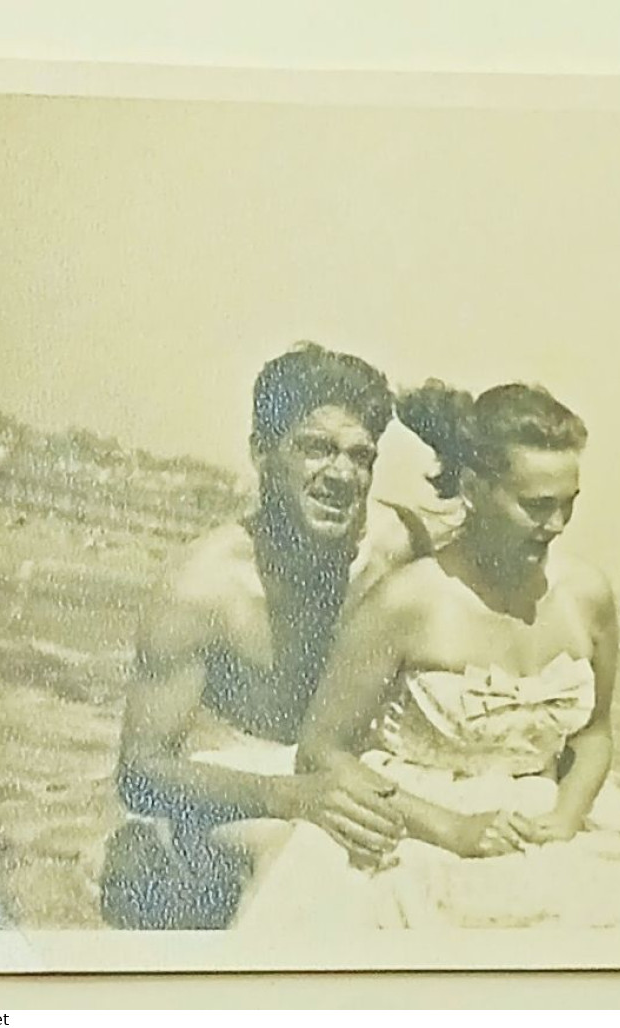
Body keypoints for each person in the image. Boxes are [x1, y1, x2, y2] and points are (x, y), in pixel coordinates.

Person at [232, 380, 620, 929]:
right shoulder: (407, 600)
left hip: (539, 819)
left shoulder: (587, 596)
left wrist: (565, 817)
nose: (554, 526)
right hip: (412, 824)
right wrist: (451, 829)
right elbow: (321, 750)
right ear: (475, 489)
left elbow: (595, 734)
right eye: (535, 506)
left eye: (567, 506)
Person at [101, 343, 433, 929]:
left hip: (346, 773)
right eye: (316, 448)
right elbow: (141, 772)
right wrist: (290, 796)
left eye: (361, 456)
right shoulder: (203, 588)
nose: (342, 474)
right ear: (261, 452)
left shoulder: (395, 546)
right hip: (237, 783)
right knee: (306, 863)